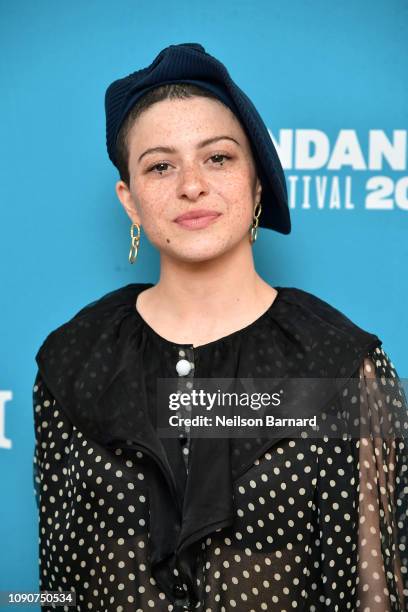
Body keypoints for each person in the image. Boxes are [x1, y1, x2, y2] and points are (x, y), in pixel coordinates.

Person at [33, 43, 408, 611]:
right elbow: (57, 584)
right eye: (161, 165)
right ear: (130, 201)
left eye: (218, 158)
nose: (191, 185)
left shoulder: (339, 364)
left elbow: (373, 590)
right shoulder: (74, 361)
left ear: (258, 182)